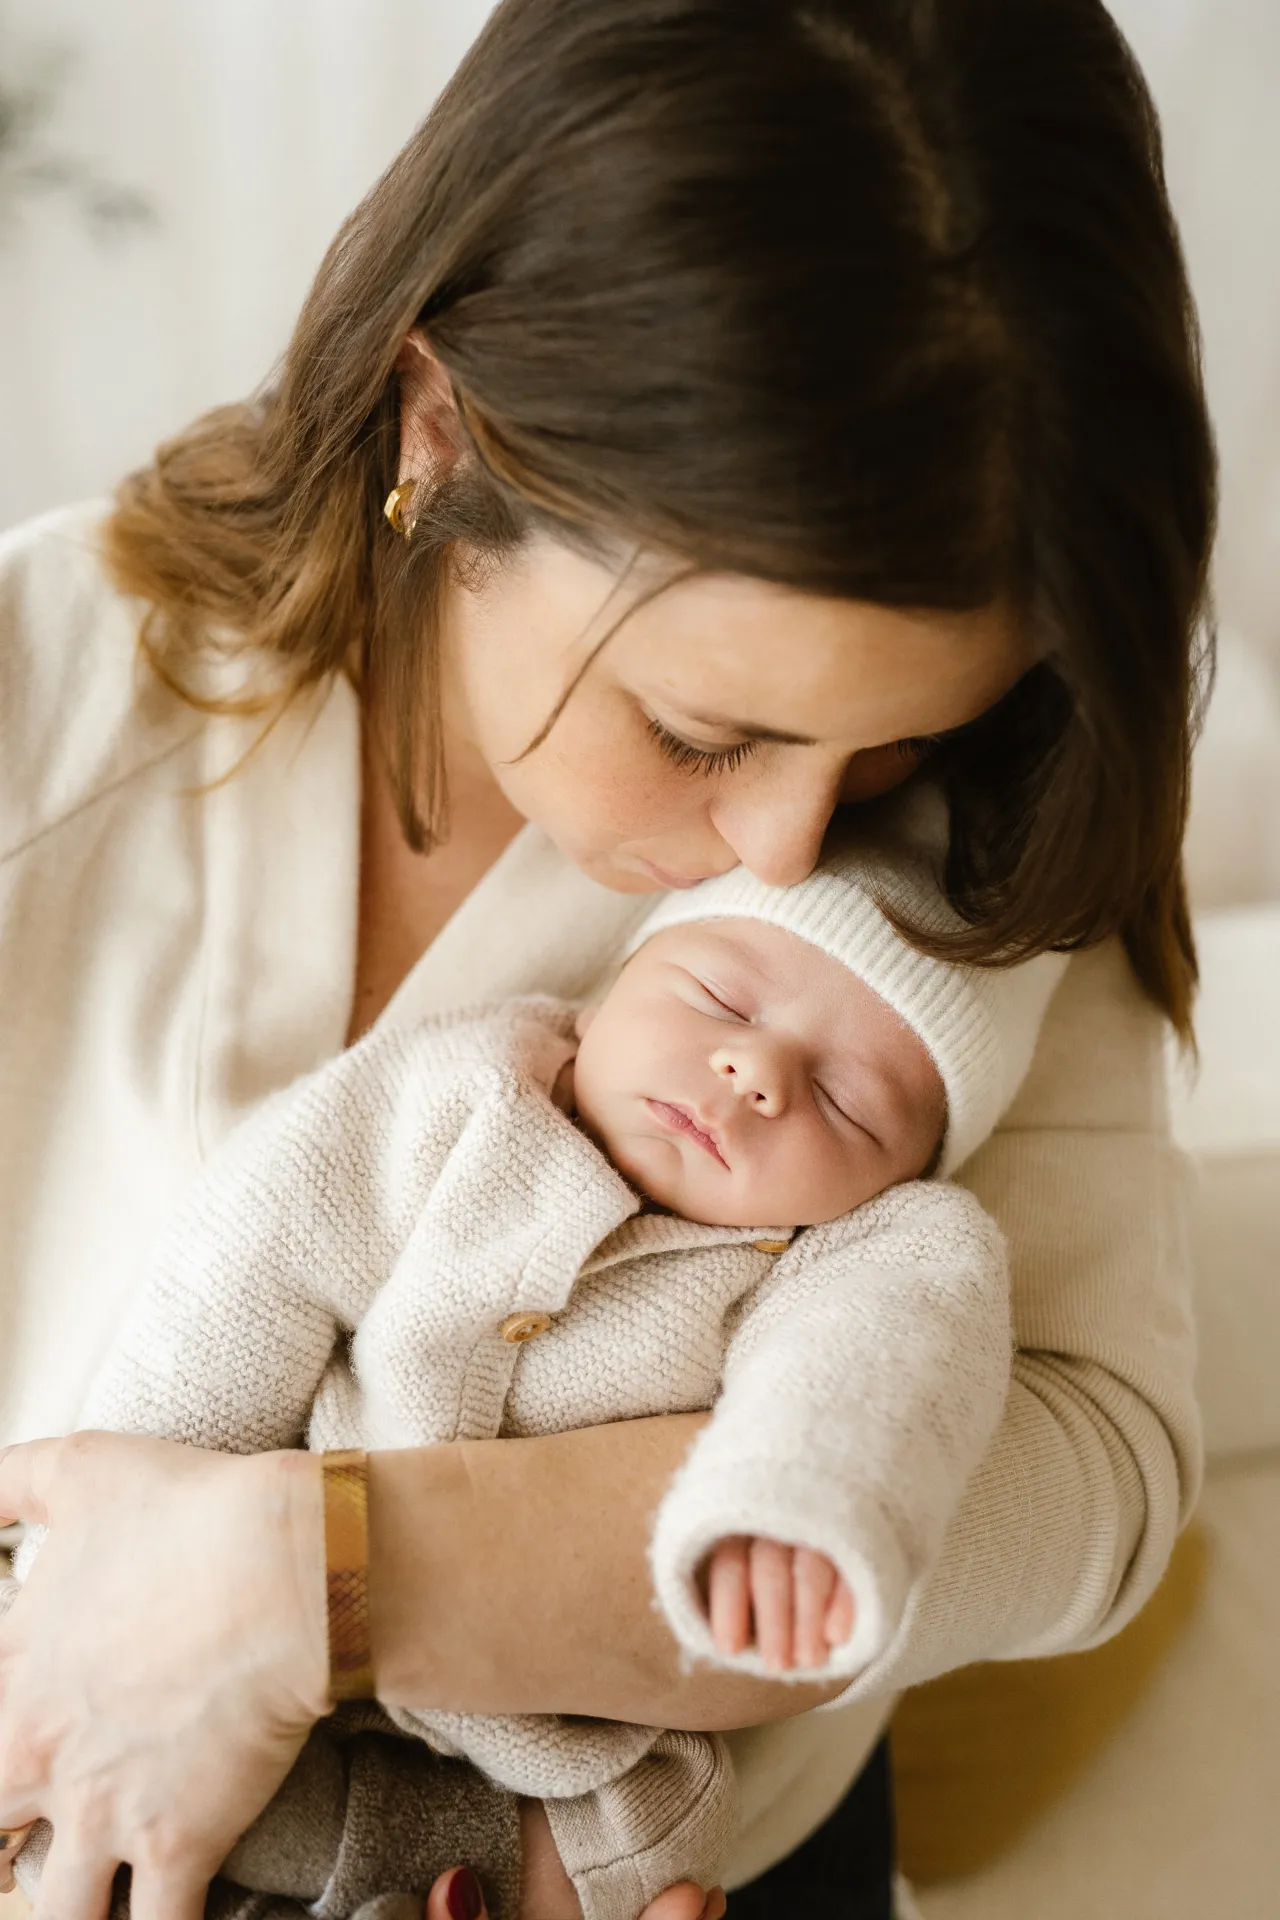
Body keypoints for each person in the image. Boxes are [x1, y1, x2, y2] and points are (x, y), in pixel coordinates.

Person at [0, 0, 1213, 1916]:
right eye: (704, 728)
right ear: (438, 426)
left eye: (890, 746)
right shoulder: (45, 704)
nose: (795, 849)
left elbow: (1092, 1481)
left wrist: (325, 1576)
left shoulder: (1009, 808)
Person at [6, 851, 1063, 1918]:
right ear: (615, 984)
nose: (754, 1073)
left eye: (843, 1101)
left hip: (556, 1758)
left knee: (636, 1848)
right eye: (717, 998)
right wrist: (99, 1565)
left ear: (903, 1174)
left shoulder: (870, 1250)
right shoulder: (469, 1087)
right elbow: (246, 1261)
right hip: (227, 1655)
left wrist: (799, 1500)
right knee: (93, 1821)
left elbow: (870, 1372)